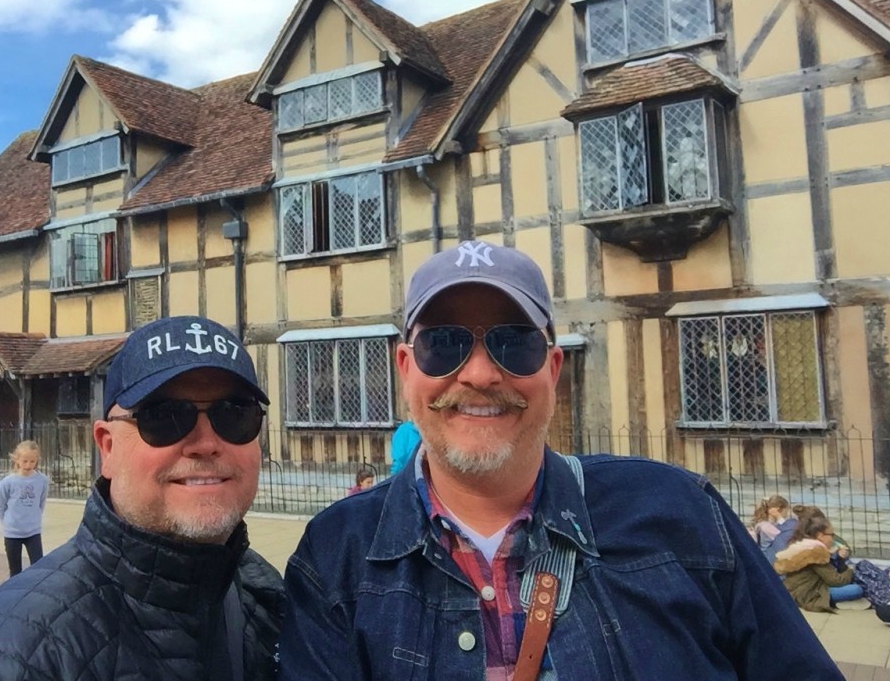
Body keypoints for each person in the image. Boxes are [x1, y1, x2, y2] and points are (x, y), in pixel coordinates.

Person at [280, 240, 842, 680]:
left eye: (515, 342)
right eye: (444, 344)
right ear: (406, 368)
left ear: (552, 369)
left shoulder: (682, 517)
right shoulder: (336, 559)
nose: (479, 374)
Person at [0, 316, 285, 679]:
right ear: (108, 448)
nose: (206, 444)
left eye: (235, 414)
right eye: (164, 416)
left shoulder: (271, 598)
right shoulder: (11, 654)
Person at [773, 512, 865, 612]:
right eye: (831, 535)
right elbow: (836, 581)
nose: (833, 538)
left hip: (794, 591)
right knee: (857, 589)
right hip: (809, 594)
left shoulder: (802, 546)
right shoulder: (816, 553)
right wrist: (850, 569)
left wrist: (832, 555)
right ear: (820, 535)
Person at [0, 440, 50, 577]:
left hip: (33, 531)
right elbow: (1, 505)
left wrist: (35, 517)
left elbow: (41, 502)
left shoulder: (42, 480)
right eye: (25, 461)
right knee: (15, 571)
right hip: (13, 532)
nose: (28, 465)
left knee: (38, 567)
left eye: (32, 461)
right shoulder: (8, 482)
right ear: (17, 460)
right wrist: (7, 523)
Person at [751, 494, 797, 564]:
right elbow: (784, 536)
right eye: (786, 511)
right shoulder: (766, 526)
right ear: (779, 509)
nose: (786, 514)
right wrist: (779, 517)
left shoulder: (766, 524)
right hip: (769, 560)